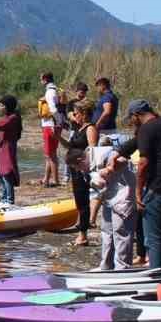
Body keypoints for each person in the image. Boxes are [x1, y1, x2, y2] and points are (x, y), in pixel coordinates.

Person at [118, 99, 161, 271]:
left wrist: (138, 192)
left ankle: (156, 278)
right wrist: (118, 153)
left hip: (159, 187)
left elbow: (143, 163)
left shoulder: (147, 129)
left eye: (132, 118)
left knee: (154, 237)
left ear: (136, 115)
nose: (132, 122)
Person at [89, 146, 138, 270]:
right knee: (107, 231)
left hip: (123, 198)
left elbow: (123, 161)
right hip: (110, 199)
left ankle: (122, 268)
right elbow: (97, 193)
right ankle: (106, 266)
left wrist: (110, 168)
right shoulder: (92, 163)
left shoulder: (106, 156)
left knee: (121, 232)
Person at [63, 103, 98, 246]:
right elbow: (70, 146)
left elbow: (93, 150)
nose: (74, 116)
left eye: (76, 113)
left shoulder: (90, 129)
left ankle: (83, 235)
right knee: (79, 200)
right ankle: (81, 232)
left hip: (83, 170)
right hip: (75, 169)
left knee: (83, 202)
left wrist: (85, 167)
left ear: (83, 114)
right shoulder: (79, 129)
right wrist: (58, 137)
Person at [39, 72, 62, 187]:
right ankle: (46, 179)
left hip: (50, 125)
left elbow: (53, 110)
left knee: (51, 155)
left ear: (45, 79)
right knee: (50, 153)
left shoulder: (49, 92)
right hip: (54, 124)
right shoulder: (56, 90)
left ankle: (56, 181)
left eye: (41, 79)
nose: (40, 81)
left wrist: (57, 123)